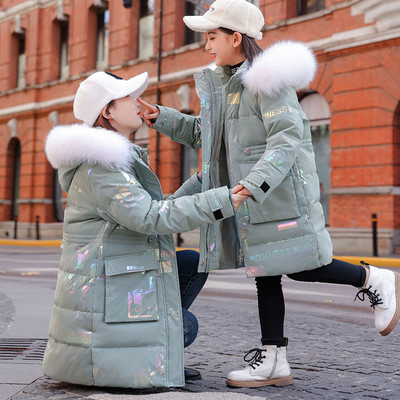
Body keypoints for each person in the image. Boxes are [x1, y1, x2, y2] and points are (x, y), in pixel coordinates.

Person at [138, 0, 400, 389]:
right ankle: (274, 358)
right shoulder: (227, 84)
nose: (206, 45)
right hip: (256, 201)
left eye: (212, 36)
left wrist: (251, 184)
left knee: (300, 264)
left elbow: (287, 139)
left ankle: (371, 278)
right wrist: (162, 117)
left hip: (277, 196)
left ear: (235, 38)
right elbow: (207, 137)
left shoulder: (266, 82)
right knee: (265, 273)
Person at [43, 70, 247, 389]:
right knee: (184, 326)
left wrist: (203, 182)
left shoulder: (114, 159)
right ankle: (150, 352)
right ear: (107, 111)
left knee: (192, 264)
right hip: (102, 298)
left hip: (116, 280)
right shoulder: (100, 165)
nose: (138, 102)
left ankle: (154, 347)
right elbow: (151, 218)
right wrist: (223, 200)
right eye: (128, 96)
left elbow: (150, 213)